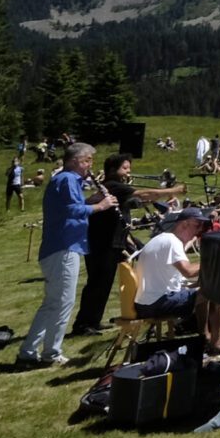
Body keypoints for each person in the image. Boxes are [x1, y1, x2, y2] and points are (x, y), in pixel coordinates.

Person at [15, 143, 117, 369]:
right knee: (63, 303)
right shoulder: (68, 179)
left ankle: (28, 352)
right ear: (74, 161)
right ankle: (51, 353)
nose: (90, 166)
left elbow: (72, 207)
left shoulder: (66, 180)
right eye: (87, 161)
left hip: (58, 248)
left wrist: (91, 201)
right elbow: (73, 210)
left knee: (52, 303)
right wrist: (101, 205)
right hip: (64, 248)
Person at [72, 153, 185, 337]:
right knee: (97, 283)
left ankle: (93, 320)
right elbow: (143, 193)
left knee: (105, 283)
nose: (128, 171)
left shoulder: (115, 188)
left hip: (115, 241)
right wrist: (175, 190)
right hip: (103, 243)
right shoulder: (113, 186)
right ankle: (83, 324)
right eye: (125, 168)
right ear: (112, 170)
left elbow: (139, 200)